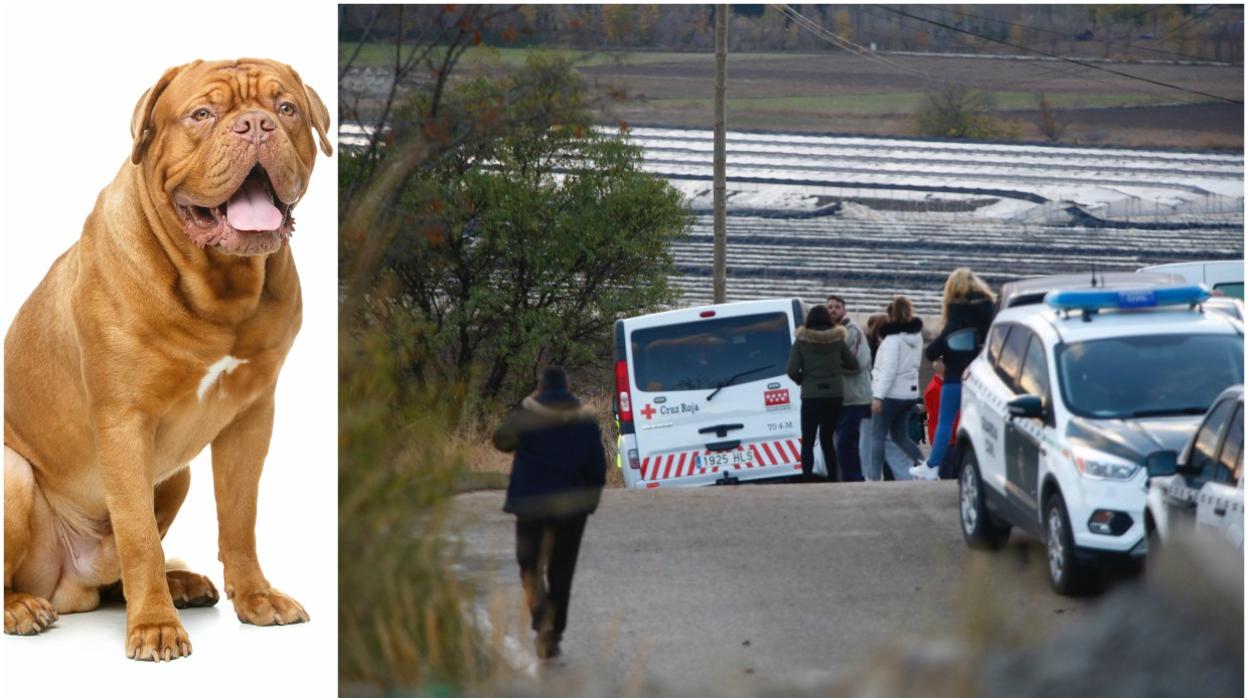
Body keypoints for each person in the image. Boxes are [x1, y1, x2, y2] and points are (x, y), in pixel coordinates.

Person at [493, 366, 607, 660]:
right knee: (562, 570)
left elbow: (501, 440)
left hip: (531, 505)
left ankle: (540, 618)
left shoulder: (528, 416)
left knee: (529, 565)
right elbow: (597, 468)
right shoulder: (585, 421)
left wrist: (526, 403)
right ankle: (554, 631)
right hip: (572, 508)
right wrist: (590, 502)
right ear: (568, 386)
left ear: (540, 388)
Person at [913, 268, 997, 481]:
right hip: (982, 377)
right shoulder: (990, 308)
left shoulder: (957, 310)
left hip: (955, 376)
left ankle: (933, 465)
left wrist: (934, 355)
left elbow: (940, 343)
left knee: (946, 421)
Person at [786, 304, 859, 482]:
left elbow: (791, 369)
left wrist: (802, 380)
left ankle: (807, 477)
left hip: (811, 396)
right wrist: (835, 370)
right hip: (834, 396)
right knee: (827, 439)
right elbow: (853, 365)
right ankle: (833, 478)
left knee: (809, 440)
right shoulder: (837, 340)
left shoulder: (802, 341)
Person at [869, 295, 927, 480]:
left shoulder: (892, 340)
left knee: (877, 436)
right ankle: (926, 467)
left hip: (891, 395)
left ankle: (872, 478)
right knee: (900, 436)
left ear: (891, 316)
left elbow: (889, 371)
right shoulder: (916, 338)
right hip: (909, 394)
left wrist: (878, 397)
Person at [826, 294, 871, 482]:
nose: (833, 310)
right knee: (842, 441)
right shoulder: (831, 333)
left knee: (847, 441)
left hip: (855, 396)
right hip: (840, 397)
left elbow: (858, 363)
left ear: (844, 310)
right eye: (829, 307)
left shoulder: (853, 330)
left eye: (837, 306)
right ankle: (847, 478)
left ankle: (855, 479)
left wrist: (829, 366)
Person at [924, 357, 960, 472]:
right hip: (948, 442)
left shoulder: (941, 386)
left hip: (952, 440)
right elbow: (938, 419)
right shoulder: (935, 389)